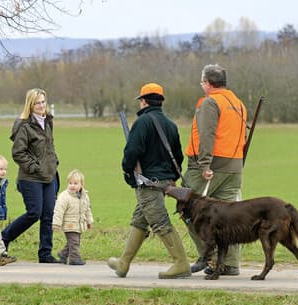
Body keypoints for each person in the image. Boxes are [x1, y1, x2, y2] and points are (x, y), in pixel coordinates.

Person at [107, 82, 190, 279]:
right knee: (140, 220)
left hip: (148, 183)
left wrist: (128, 173)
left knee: (160, 223)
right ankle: (123, 263)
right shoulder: (171, 124)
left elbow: (131, 152)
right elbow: (178, 156)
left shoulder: (142, 123)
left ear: (143, 102)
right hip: (165, 182)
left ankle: (181, 263)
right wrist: (170, 178)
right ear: (160, 102)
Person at [183, 64, 247, 276]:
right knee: (230, 217)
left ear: (208, 83)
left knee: (188, 210)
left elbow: (206, 135)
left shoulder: (211, 102)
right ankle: (229, 264)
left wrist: (204, 164)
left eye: (202, 81)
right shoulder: (238, 103)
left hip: (211, 166)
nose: (202, 85)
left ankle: (208, 257)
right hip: (234, 167)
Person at [2, 88, 61, 264]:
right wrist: (35, 167)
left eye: (43, 102)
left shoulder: (48, 121)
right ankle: (4, 237)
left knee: (48, 214)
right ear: (31, 105)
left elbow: (50, 147)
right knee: (34, 213)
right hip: (31, 178)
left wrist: (54, 162)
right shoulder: (25, 126)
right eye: (38, 103)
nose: (42, 106)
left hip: (49, 176)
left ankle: (45, 254)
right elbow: (18, 153)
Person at [52, 169, 94, 265]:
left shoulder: (84, 196)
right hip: (69, 224)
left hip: (79, 223)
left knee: (73, 242)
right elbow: (58, 211)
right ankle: (74, 258)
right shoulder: (64, 197)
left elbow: (87, 209)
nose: (72, 185)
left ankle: (63, 254)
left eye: (75, 183)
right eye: (70, 183)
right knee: (74, 242)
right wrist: (56, 224)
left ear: (82, 185)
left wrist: (89, 221)